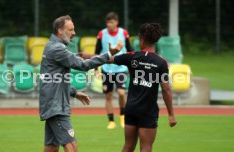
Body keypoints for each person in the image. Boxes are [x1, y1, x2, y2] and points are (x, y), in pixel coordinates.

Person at [39, 15, 123, 152]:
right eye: (71, 30)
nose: (74, 33)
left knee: (51, 148)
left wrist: (74, 92)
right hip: (56, 107)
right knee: (72, 145)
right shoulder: (57, 49)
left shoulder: (52, 46)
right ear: (60, 31)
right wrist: (109, 54)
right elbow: (83, 65)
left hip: (53, 104)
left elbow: (53, 79)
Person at [109, 23, 177, 152]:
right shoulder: (161, 62)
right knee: (146, 148)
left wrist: (82, 57)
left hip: (131, 108)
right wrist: (171, 115)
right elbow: (166, 90)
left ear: (141, 38)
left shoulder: (132, 56)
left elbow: (107, 59)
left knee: (128, 147)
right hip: (148, 111)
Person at [95, 12, 134, 129]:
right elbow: (96, 52)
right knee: (108, 96)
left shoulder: (124, 33)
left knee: (122, 93)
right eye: (107, 22)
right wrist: (96, 69)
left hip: (121, 68)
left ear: (116, 22)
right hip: (106, 69)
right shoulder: (102, 34)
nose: (109, 24)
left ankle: (122, 116)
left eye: (111, 22)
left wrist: (132, 66)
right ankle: (111, 121)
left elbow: (130, 50)